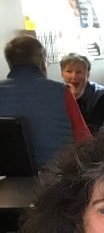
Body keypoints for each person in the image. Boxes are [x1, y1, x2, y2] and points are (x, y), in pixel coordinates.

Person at [0, 34, 90, 168]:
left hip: (9, 178)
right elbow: (84, 141)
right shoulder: (61, 91)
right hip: (58, 176)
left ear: (10, 63)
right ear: (42, 62)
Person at [61, 52, 104, 134]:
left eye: (79, 72)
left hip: (95, 140)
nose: (74, 76)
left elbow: (93, 127)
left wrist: (75, 98)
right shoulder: (57, 92)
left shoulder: (99, 93)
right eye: (69, 71)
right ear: (62, 73)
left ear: (88, 74)